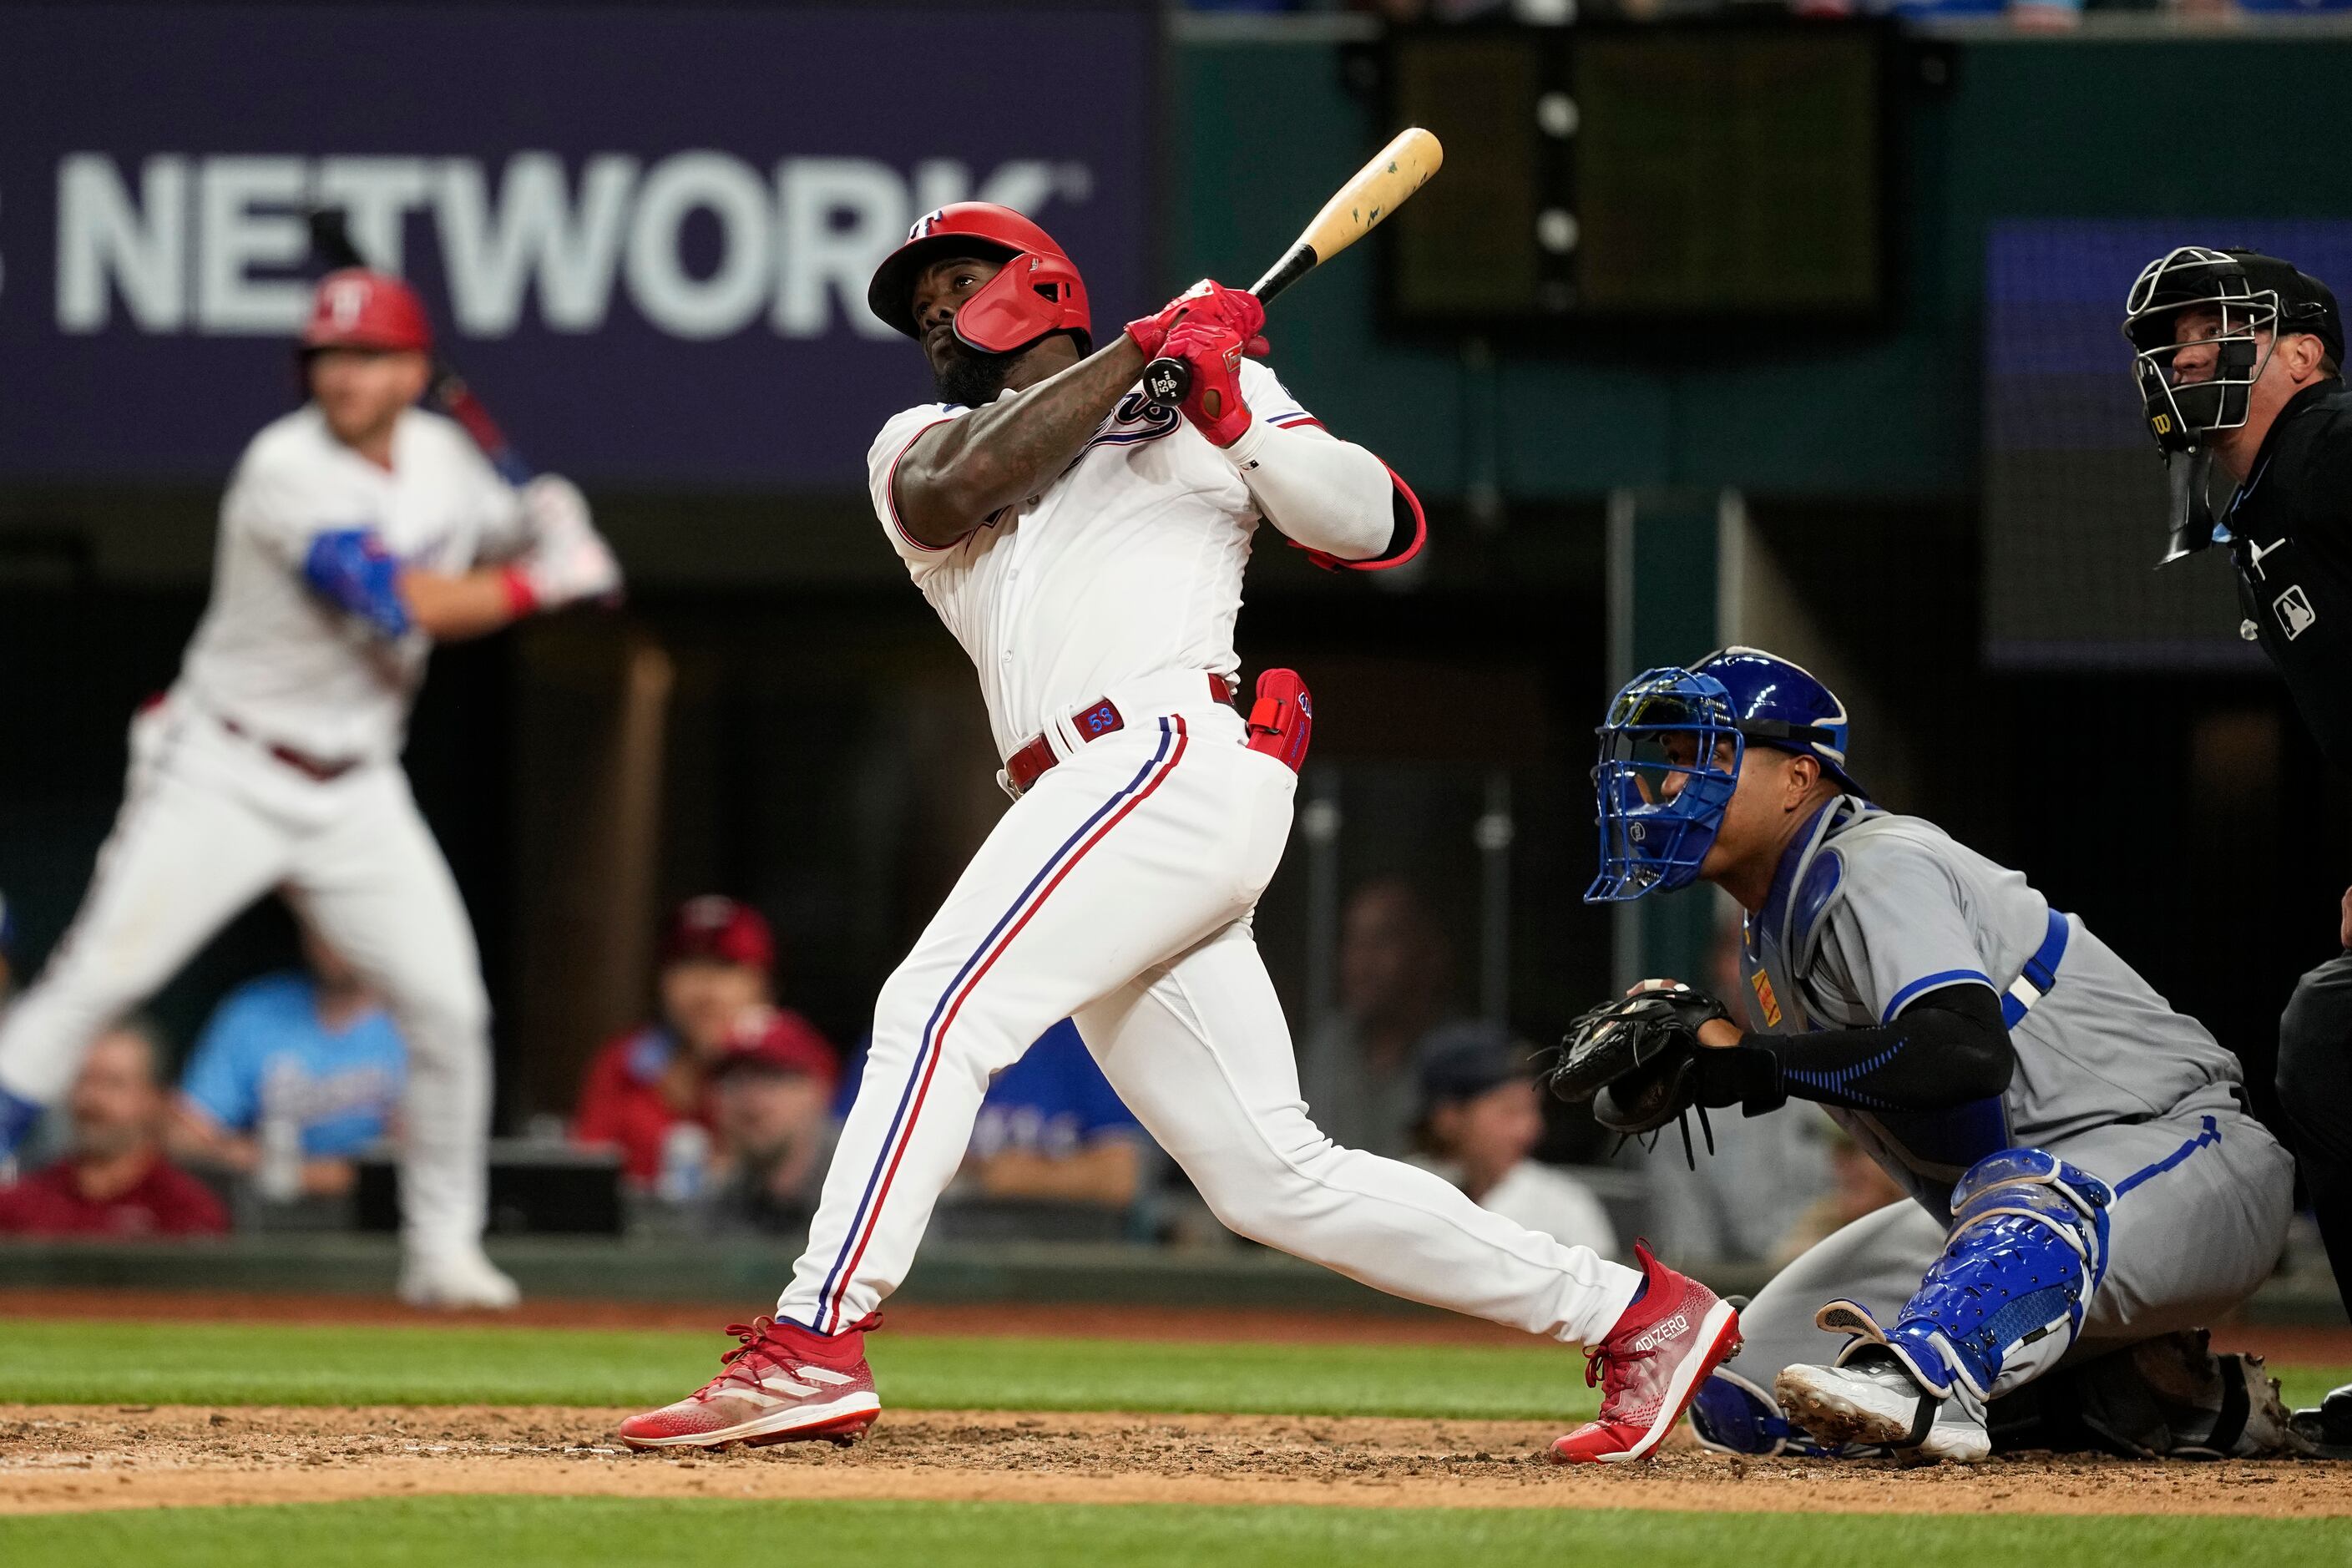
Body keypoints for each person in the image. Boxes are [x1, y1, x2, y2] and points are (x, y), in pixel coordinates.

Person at [615, 202, 1737, 1462]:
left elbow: (1375, 526)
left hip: (1160, 754)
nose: (933, 306)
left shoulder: (1203, 389)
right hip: (1082, 792)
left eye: (957, 276)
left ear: (1041, 282)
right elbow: (953, 494)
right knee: (1268, 1173)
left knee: (935, 1010)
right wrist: (1148, 349)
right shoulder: (917, 439)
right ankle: (1635, 1311)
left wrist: (1230, 401)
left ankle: (812, 1336)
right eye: (915, 298)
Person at [0, 270, 620, 1308]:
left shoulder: (444, 458)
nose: (343, 376)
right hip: (223, 765)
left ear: (415, 372)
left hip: (357, 785)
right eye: (328, 357)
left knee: (449, 1010)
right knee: (98, 980)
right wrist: (544, 580)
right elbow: (396, 603)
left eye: (369, 356)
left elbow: (491, 533)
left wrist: (542, 523)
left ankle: (443, 1252)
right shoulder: (282, 469)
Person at [1567, 646, 2294, 1463]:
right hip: (1997, 1215)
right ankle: (2159, 1403)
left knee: (2012, 1219)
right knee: (1748, 1397)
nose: (1673, 786)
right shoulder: (1768, 929)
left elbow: (1962, 1054)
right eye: (1670, 763)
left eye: (1711, 755)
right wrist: (1703, 1065)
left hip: (2187, 1160)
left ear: (1801, 778)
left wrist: (1754, 1062)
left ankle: (1939, 1381)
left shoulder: (1876, 862)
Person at [2123, 246, 2352, 1445]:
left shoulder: (2330, 435)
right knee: (2333, 1036)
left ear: (2303, 353)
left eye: (2216, 328)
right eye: (2173, 336)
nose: (2184, 352)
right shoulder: (2263, 510)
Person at [572, 897, 837, 1193]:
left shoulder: (799, 1058)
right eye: (686, 964)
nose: (704, 988)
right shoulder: (625, 1062)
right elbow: (586, 1177)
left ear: (764, 981)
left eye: (725, 966)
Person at [168, 919, 407, 1199]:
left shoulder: (417, 1020)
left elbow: (429, 1154)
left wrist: (307, 1174)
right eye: (322, 925)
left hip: (383, 1213)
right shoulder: (255, 1013)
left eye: (347, 924)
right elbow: (182, 1136)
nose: (335, 942)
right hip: (268, 1211)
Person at [0, 1021, 227, 1238]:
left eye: (113, 1084)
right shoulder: (21, 1205)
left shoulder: (184, 1212)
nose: (93, 1099)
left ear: (155, 1098)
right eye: (84, 1080)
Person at [1413, 1024, 1619, 1257]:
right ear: (1448, 1117)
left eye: (1533, 1109)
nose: (1530, 1129)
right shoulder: (1403, 1190)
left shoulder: (1565, 1208)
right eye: (1510, 1111)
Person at [1296, 879, 1455, 1158]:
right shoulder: (1328, 1045)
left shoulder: (1457, 1052)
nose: (1362, 960)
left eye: (1382, 940)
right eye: (1354, 941)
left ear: (1428, 952)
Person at [706, 1008, 842, 1234]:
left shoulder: (873, 1182)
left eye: (772, 1078)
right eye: (734, 1081)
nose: (751, 1100)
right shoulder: (721, 1206)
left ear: (819, 1088)